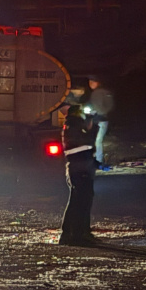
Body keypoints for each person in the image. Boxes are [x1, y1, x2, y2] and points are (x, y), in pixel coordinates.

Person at [59, 88, 99, 246]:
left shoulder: (75, 124)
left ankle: (79, 232)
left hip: (82, 167)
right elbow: (86, 143)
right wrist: (92, 129)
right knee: (78, 201)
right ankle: (73, 235)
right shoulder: (73, 126)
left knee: (83, 199)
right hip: (78, 168)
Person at [87, 76, 114, 170]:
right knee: (93, 140)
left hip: (101, 120)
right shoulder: (94, 93)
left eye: (93, 82)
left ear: (98, 82)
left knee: (98, 141)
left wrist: (98, 112)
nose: (90, 84)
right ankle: (94, 160)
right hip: (94, 120)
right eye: (89, 82)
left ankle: (99, 160)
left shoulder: (103, 92)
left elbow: (108, 106)